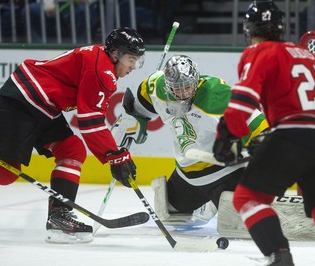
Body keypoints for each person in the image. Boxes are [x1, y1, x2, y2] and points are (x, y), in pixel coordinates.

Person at [212, 0, 315, 265]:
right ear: (281, 27)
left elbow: (243, 100)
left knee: (248, 198)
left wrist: (227, 134)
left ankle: (279, 257)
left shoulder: (258, 52)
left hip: (294, 135)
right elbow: (300, 103)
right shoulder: (306, 55)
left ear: (249, 29)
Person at [0, 27, 145, 243]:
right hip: (20, 102)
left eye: (137, 61)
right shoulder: (103, 71)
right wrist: (115, 157)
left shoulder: (104, 63)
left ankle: (59, 216)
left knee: (72, 149)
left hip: (43, 106)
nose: (133, 66)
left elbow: (91, 119)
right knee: (6, 174)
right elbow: (90, 121)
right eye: (131, 59)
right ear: (116, 54)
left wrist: (115, 156)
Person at [112, 54, 268, 228]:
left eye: (187, 86)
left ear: (196, 80)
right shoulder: (158, 86)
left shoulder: (217, 95)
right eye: (177, 88)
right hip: (188, 176)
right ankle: (204, 203)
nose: (183, 93)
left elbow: (261, 128)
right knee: (169, 214)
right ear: (167, 84)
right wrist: (131, 124)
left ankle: (225, 200)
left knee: (239, 225)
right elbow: (141, 104)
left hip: (225, 173)